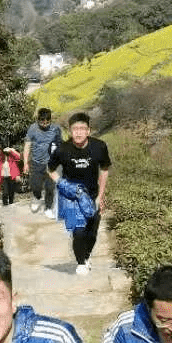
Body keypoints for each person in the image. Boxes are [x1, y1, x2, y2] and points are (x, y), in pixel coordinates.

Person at [47, 113, 111, 275]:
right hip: (71, 196)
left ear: (89, 131)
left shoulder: (99, 147)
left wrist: (100, 196)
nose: (79, 132)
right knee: (78, 230)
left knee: (92, 231)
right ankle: (81, 262)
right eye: (75, 129)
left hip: (92, 195)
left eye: (82, 129)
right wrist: (62, 183)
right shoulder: (63, 149)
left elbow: (104, 170)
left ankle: (86, 255)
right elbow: (50, 169)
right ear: (70, 131)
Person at [23, 108, 62, 217]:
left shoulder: (56, 129)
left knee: (50, 187)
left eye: (47, 122)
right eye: (42, 122)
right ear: (38, 120)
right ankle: (36, 197)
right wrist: (25, 162)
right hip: (36, 162)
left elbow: (60, 144)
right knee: (36, 185)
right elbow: (27, 145)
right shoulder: (33, 128)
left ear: (50, 120)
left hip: (51, 163)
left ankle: (48, 208)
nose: (44, 125)